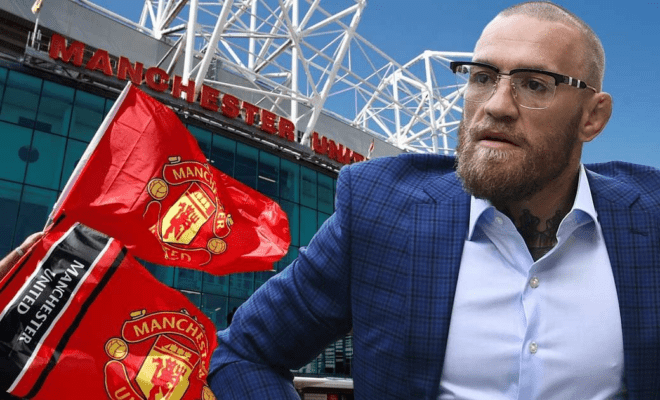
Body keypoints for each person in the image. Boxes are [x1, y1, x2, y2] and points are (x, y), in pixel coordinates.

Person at [209, 2, 660, 399]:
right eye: (482, 77)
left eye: (535, 85)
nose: (496, 105)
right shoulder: (379, 208)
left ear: (592, 117)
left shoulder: (651, 218)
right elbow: (242, 353)